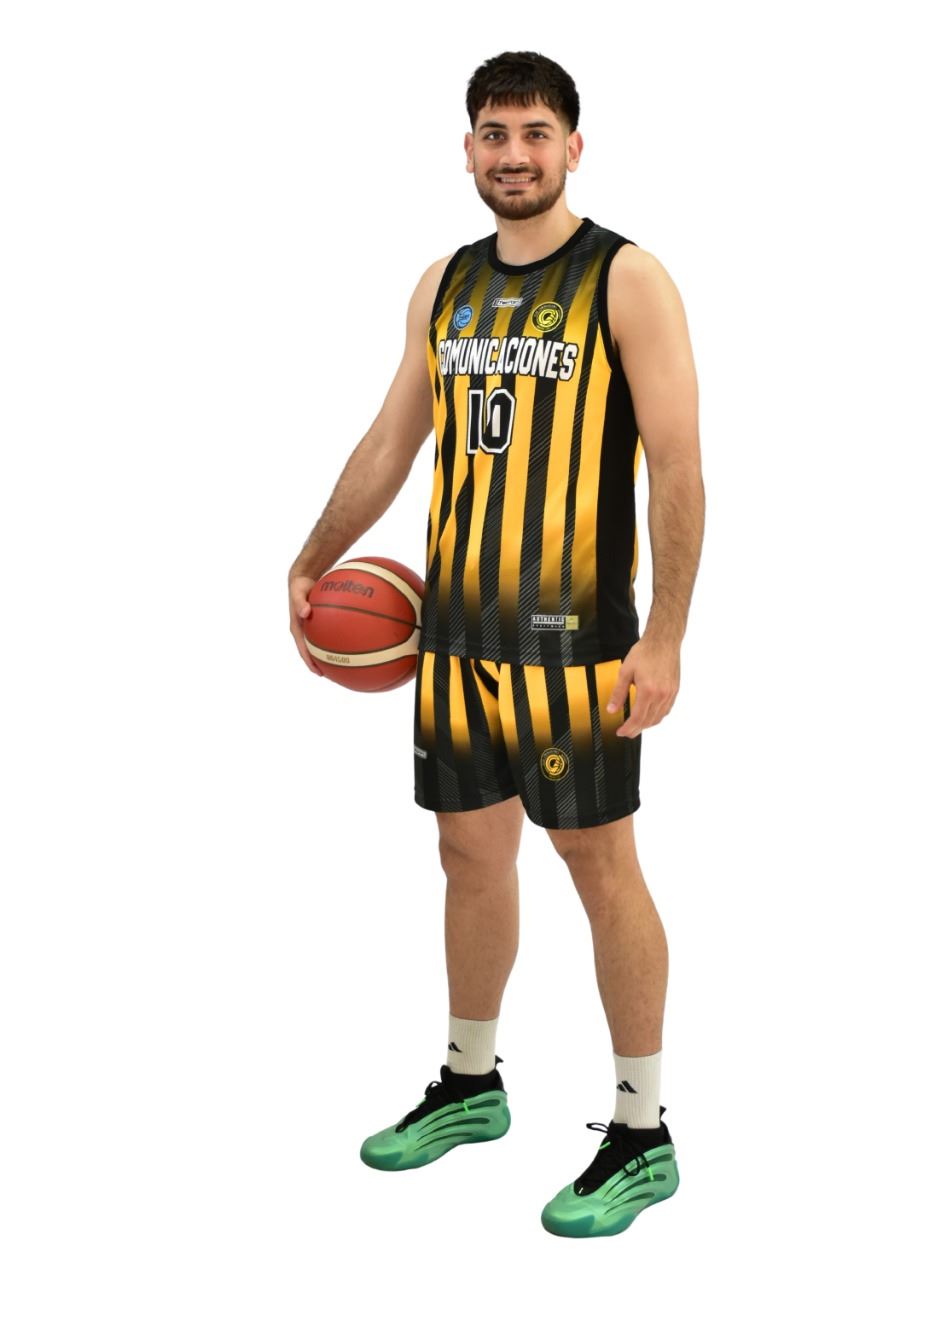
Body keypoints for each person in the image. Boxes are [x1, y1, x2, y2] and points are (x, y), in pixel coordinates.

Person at [287, 50, 704, 1239]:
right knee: (468, 857)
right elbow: (392, 438)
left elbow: (678, 466)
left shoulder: (626, 278)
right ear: (467, 148)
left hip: (577, 647)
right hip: (454, 640)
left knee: (598, 866)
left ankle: (641, 1133)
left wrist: (665, 636)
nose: (511, 154)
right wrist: (314, 555)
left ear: (573, 146)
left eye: (532, 132)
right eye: (491, 133)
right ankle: (471, 1082)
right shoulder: (445, 284)